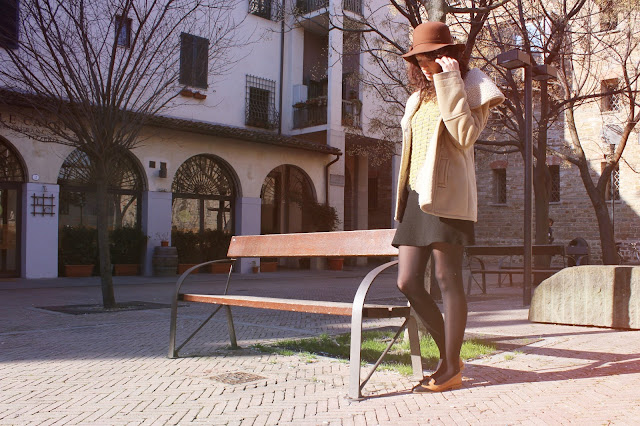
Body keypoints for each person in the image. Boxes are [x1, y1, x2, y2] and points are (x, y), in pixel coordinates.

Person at [392, 21, 505, 392]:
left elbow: (465, 135)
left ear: (447, 55)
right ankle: (451, 357)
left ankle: (449, 367)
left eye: (430, 58)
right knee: (407, 281)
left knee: (447, 278)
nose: (424, 66)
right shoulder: (417, 98)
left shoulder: (473, 86)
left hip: (448, 197)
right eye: (419, 60)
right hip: (416, 198)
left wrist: (450, 80)